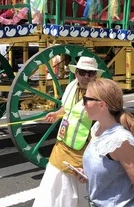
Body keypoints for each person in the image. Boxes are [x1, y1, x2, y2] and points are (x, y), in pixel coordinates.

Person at [77, 78, 134, 207]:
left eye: (86, 100)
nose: (83, 104)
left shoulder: (121, 141)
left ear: (102, 104)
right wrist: (88, 174)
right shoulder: (97, 128)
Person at [33, 56, 103, 207]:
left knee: (76, 192)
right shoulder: (71, 86)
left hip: (82, 151)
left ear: (95, 75)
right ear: (76, 72)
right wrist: (56, 114)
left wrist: (92, 158)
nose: (86, 76)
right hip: (62, 144)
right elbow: (67, 108)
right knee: (53, 185)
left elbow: (101, 126)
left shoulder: (99, 94)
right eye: (82, 72)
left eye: (90, 73)